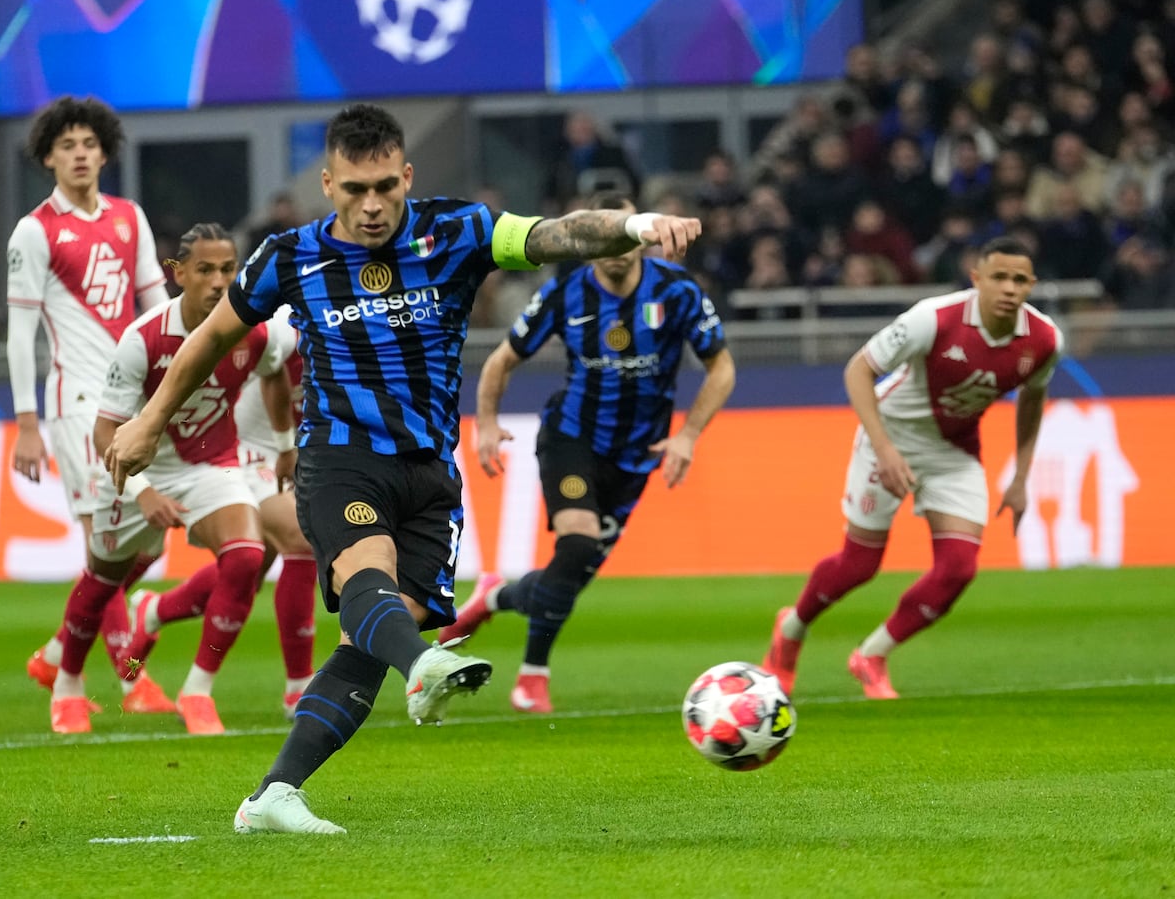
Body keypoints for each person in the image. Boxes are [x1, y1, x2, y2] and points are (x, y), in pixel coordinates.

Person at [106, 103, 699, 835]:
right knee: (368, 579)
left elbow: (555, 236)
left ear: (407, 175)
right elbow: (211, 336)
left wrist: (633, 227)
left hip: (428, 471)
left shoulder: (459, 231)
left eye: (386, 184)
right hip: (341, 458)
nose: (373, 203)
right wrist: (149, 419)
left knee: (374, 633)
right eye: (355, 189)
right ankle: (422, 666)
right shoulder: (289, 256)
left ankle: (273, 796)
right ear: (328, 184)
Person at [439, 194, 736, 713]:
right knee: (576, 550)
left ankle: (491, 597)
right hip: (571, 439)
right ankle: (532, 678)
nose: (615, 248)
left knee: (568, 577)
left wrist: (688, 434)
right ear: (589, 241)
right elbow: (501, 362)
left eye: (625, 235)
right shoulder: (564, 292)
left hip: (635, 457)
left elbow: (722, 367)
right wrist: (485, 424)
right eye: (604, 237)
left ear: (640, 235)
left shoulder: (678, 292)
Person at [762, 236, 1061, 700]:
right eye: (999, 277)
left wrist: (1021, 478)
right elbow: (857, 371)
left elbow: (1032, 402)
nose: (1009, 288)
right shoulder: (933, 319)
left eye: (1019, 280)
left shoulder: (1043, 340)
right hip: (890, 436)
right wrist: (884, 449)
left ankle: (872, 655)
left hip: (952, 452)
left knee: (959, 569)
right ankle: (792, 629)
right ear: (976, 278)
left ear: (1032, 285)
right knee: (859, 565)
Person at [48, 223, 297, 736]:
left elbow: (275, 370)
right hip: (136, 473)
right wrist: (145, 491)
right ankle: (67, 683)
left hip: (210, 464)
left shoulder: (257, 330)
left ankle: (198, 691)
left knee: (247, 556)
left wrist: (286, 444)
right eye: (204, 270)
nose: (217, 282)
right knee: (102, 582)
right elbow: (104, 433)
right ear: (178, 274)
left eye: (228, 270)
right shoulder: (143, 339)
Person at [7, 97, 168, 693]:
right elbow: (20, 335)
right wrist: (26, 421)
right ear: (48, 157)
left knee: (142, 546)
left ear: (104, 152)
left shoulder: (130, 217)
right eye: (67, 145)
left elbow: (159, 309)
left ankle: (55, 652)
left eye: (89, 144)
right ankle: (133, 681)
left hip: (133, 404)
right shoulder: (34, 230)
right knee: (106, 542)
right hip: (76, 403)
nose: (80, 154)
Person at [119, 306, 318, 720]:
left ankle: (153, 610)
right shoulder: (288, 320)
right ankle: (298, 687)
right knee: (301, 539)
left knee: (249, 566)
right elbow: (272, 374)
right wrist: (285, 445)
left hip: (293, 452)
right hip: (244, 448)